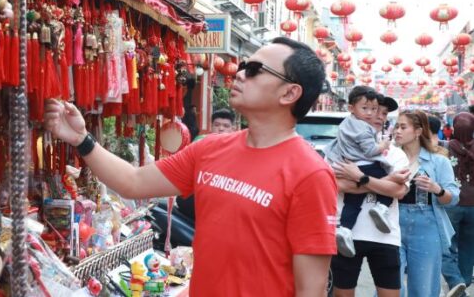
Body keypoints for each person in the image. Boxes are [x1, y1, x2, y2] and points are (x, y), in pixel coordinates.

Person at [44, 37, 337, 295]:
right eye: (244, 64)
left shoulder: (309, 173)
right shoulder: (210, 148)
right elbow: (132, 182)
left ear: (289, 94)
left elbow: (311, 288)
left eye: (256, 70)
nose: (240, 73)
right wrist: (82, 139)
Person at [331, 95, 410, 297]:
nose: (378, 116)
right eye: (373, 110)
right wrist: (387, 180)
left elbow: (399, 191)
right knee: (342, 294)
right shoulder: (337, 149)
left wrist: (359, 178)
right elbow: (334, 185)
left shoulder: (395, 154)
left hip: (386, 236)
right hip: (345, 234)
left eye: (383, 113)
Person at [394, 111, 459, 297]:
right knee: (390, 286)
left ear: (418, 131)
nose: (397, 131)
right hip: (391, 226)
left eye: (403, 127)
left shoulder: (439, 161)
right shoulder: (389, 158)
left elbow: (453, 198)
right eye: (396, 126)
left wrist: (437, 189)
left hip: (427, 226)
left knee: (423, 288)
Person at [324, 86, 393, 257]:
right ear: (351, 108)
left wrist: (357, 180)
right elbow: (370, 151)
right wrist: (383, 146)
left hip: (349, 165)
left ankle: (345, 229)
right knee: (388, 179)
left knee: (353, 202)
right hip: (366, 165)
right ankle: (382, 206)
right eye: (365, 109)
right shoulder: (363, 128)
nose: (370, 113)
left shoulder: (345, 124)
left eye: (374, 109)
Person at [179, 108, 237, 220]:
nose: (221, 129)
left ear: (233, 129)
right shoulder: (200, 142)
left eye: (226, 126)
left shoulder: (238, 148)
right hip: (196, 196)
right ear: (211, 127)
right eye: (217, 125)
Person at [443, 112, 474, 297]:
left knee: (446, 246)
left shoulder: (446, 148)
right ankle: (464, 281)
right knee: (468, 246)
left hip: (452, 203)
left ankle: (456, 282)